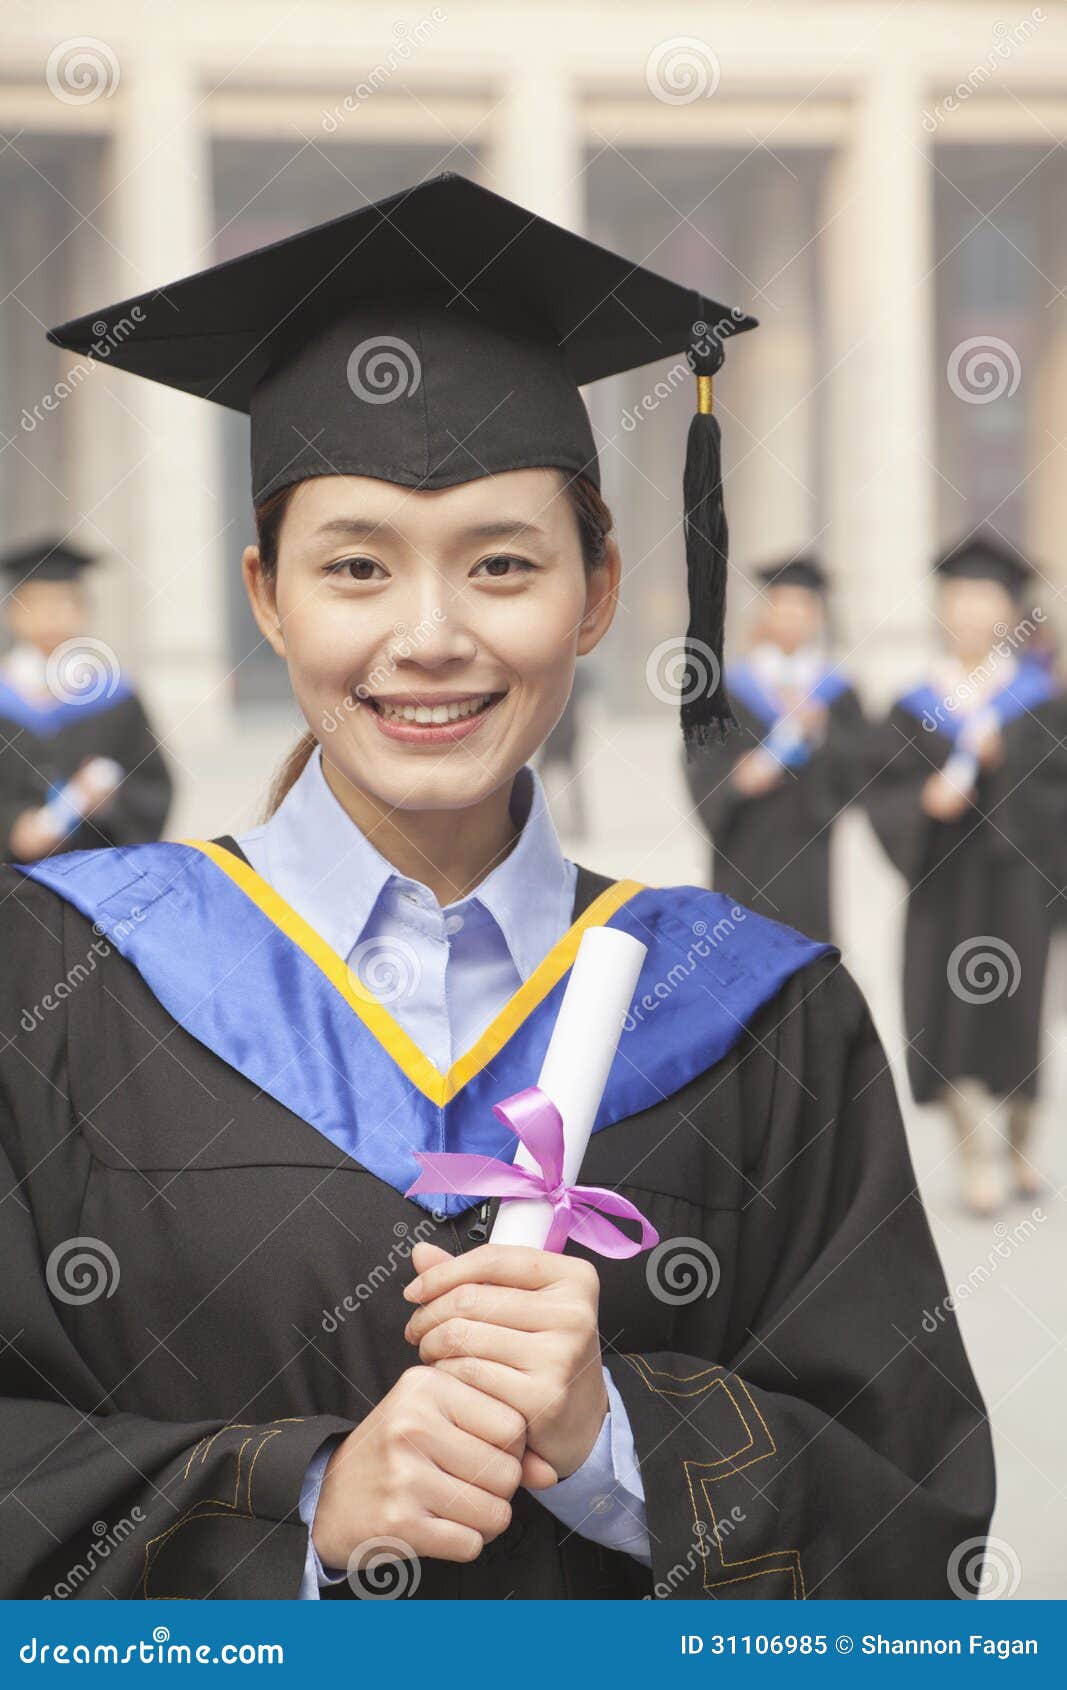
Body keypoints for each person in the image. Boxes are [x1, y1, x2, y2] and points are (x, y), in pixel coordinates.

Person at [0, 173, 991, 1602]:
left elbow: (919, 1520)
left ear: (595, 592)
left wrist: (619, 1442)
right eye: (353, 566)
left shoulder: (760, 1013)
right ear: (267, 593)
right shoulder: (59, 979)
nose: (429, 635)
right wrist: (300, 1498)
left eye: (502, 564)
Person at [864, 533, 1062, 1216]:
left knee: (1015, 1014)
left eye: (983, 598)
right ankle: (974, 1160)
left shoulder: (1038, 701)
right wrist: (922, 803)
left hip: (1016, 884)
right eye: (958, 598)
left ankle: (1016, 1147)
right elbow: (881, 789)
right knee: (944, 1016)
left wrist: (1005, 759)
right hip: (942, 887)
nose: (970, 611)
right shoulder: (913, 703)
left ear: (1007, 612)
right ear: (942, 610)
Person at [683, 554, 865, 942]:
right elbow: (698, 759)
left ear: (818, 616)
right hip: (745, 847)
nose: (792, 616)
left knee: (804, 950)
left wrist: (821, 732)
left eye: (803, 607)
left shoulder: (836, 691)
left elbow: (863, 764)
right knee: (742, 945)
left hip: (808, 847)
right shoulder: (729, 687)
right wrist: (732, 782)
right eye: (781, 604)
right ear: (765, 612)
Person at [0, 538, 172, 860]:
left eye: (65, 604)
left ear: (84, 612)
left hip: (93, 872)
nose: (51, 617)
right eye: (37, 604)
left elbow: (154, 787)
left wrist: (111, 804)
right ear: (13, 613)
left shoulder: (116, 698)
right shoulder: (5, 698)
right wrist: (11, 828)